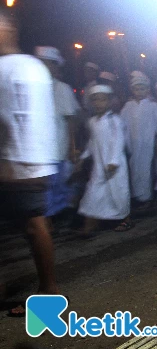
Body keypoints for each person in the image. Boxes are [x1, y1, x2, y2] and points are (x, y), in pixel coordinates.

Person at [0, 7, 61, 315]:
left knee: (35, 226)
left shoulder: (23, 67)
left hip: (23, 165)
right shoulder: (12, 66)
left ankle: (49, 295)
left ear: (9, 28)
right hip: (14, 163)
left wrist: (25, 165)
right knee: (32, 226)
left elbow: (31, 121)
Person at [34, 46, 81, 219]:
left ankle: (57, 217)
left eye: (46, 64)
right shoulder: (36, 86)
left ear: (54, 66)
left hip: (57, 149)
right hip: (39, 149)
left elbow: (71, 121)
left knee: (58, 186)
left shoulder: (62, 88)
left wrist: (72, 148)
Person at [77, 85, 130, 234]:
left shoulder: (115, 121)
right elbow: (92, 142)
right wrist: (82, 158)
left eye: (103, 100)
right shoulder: (92, 122)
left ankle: (126, 220)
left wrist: (113, 161)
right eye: (96, 100)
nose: (99, 103)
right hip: (99, 166)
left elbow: (119, 141)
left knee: (117, 194)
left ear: (109, 102)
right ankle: (90, 224)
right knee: (93, 192)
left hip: (115, 166)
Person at [120, 73, 157, 209]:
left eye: (142, 89)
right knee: (134, 168)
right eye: (136, 89)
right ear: (132, 90)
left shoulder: (153, 106)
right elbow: (121, 125)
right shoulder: (128, 106)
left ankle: (146, 197)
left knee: (145, 168)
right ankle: (136, 195)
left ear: (147, 90)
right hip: (131, 144)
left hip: (147, 143)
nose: (139, 92)